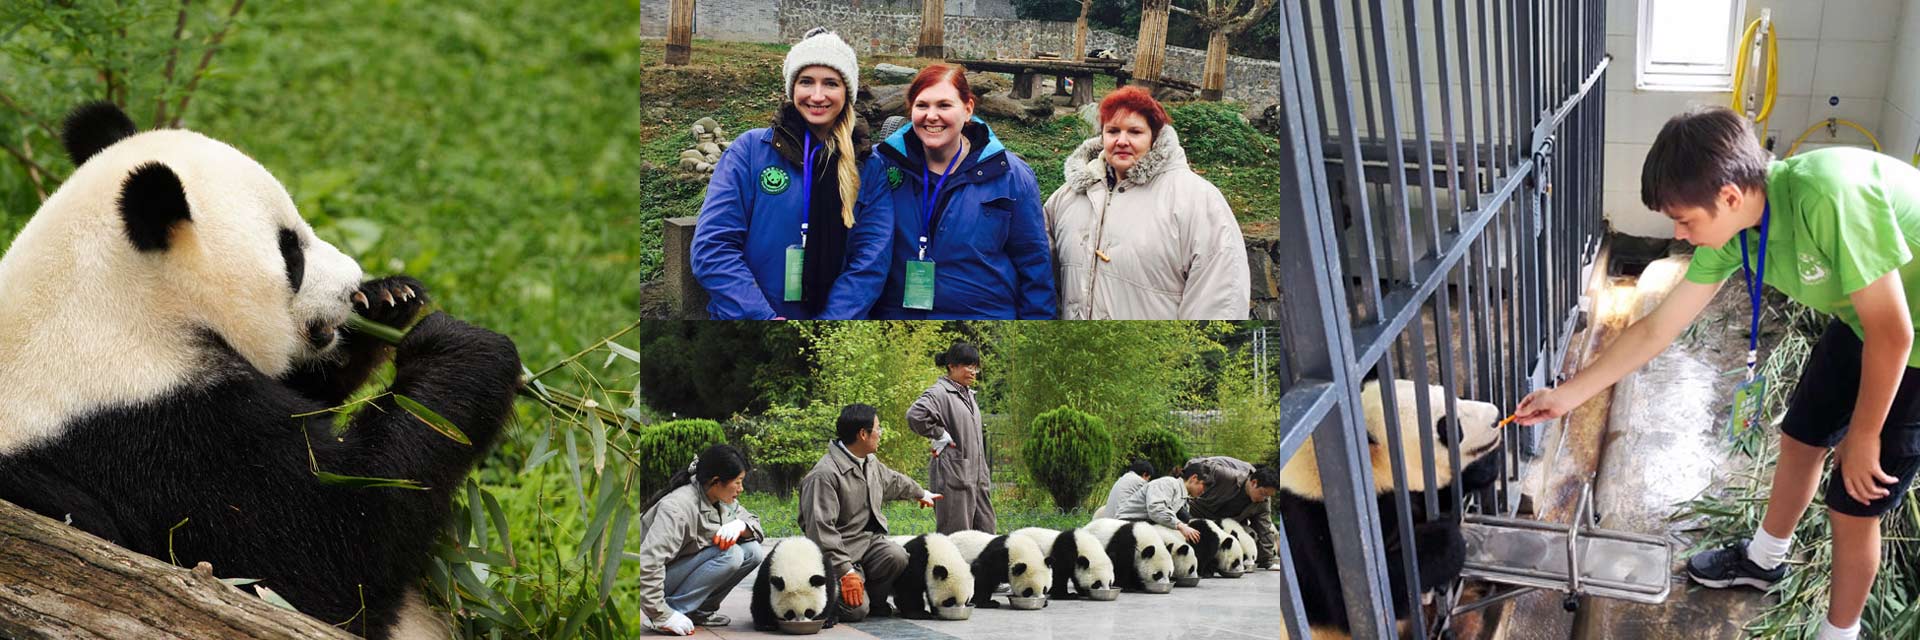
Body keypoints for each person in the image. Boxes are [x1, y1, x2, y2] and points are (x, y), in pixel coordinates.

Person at [1513, 106, 1920, 640]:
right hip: (1863, 320)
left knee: (1854, 503)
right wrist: (1567, 396)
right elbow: (1656, 330)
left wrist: (1865, 434)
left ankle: (1839, 633)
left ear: (1729, 195)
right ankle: (1764, 559)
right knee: (1801, 437)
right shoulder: (1732, 234)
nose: (1679, 233)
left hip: (1909, 337)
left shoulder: (1827, 193)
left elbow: (1894, 334)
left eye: (1685, 220)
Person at [690, 28, 887, 319]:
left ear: (847, 92)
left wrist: (829, 325)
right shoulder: (750, 152)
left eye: (831, 83)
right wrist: (761, 317)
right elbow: (713, 247)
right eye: (806, 82)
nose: (817, 96)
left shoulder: (868, 166)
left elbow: (870, 262)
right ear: (792, 87)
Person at [864, 64, 1055, 318]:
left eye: (944, 105)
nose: (932, 116)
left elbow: (1034, 264)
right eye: (922, 106)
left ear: (968, 109)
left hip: (985, 320)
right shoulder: (879, 165)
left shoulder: (1011, 175)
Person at [1043, 86, 1250, 320]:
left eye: (1134, 132)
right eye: (1112, 131)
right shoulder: (1067, 197)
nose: (1122, 141)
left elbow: (1221, 294)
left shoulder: (1197, 200)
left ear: (1154, 136)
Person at [798, 404, 943, 621]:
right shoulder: (824, 476)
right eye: (878, 429)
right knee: (855, 611)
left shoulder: (868, 461)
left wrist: (920, 493)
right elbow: (821, 532)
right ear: (863, 434)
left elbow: (892, 481)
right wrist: (846, 572)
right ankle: (838, 594)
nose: (880, 433)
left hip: (867, 543)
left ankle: (874, 602)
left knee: (896, 556)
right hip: (839, 552)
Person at [638, 444, 765, 636]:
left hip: (681, 573)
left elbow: (753, 523)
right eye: (738, 482)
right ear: (716, 481)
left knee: (753, 552)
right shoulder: (677, 508)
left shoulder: (720, 498)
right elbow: (648, 562)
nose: (741, 489)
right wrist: (660, 614)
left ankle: (699, 611)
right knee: (731, 554)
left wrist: (741, 527)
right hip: (658, 581)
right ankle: (672, 611)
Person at [906, 342, 994, 533]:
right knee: (957, 536)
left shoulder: (968, 394)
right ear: (951, 366)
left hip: (977, 475)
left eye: (975, 367)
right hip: (954, 475)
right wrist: (939, 433)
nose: (973, 372)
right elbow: (915, 415)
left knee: (986, 534)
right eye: (967, 366)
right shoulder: (940, 392)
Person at [1181, 456, 1283, 569]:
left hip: (1223, 524)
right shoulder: (1225, 475)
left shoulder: (1263, 503)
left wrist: (1267, 561)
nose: (1265, 499)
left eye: (1268, 496)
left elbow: (1265, 530)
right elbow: (1193, 464)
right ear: (1254, 483)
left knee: (1250, 535)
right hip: (1196, 511)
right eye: (1263, 493)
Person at [1113, 465, 1210, 543]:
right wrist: (1181, 526)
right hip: (1124, 529)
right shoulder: (1167, 483)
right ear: (1194, 478)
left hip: (1141, 529)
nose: (1203, 492)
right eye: (1204, 486)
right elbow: (1156, 510)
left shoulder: (1184, 500)